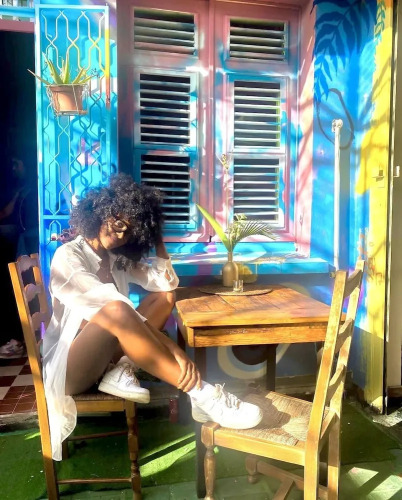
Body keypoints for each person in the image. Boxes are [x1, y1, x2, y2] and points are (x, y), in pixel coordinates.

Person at [43, 173, 263, 460]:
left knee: (165, 298)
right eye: (118, 223)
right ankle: (202, 394)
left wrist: (156, 237)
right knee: (117, 309)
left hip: (107, 357)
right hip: (71, 370)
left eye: (130, 232)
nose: (120, 235)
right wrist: (172, 348)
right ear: (101, 212)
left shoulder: (116, 258)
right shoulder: (67, 257)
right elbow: (109, 306)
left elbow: (165, 284)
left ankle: (123, 368)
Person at [0, 152, 39, 358]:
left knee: (26, 288)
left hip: (30, 244)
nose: (14, 169)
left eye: (17, 164)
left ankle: (22, 340)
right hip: (21, 244)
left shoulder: (34, 187)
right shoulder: (19, 189)